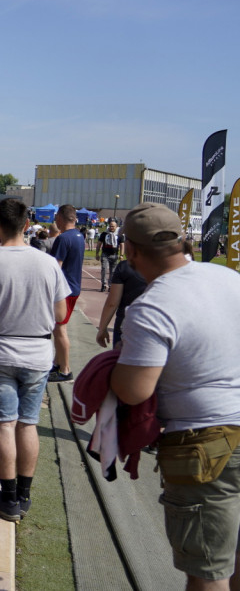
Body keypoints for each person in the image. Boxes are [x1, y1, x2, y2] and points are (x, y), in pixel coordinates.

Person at [110, 202, 240, 590]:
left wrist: (110, 371)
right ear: (184, 240)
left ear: (130, 250)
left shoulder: (152, 306)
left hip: (206, 443)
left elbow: (135, 390)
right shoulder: (229, 278)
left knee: (208, 569)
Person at [0, 198, 69, 522]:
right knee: (28, 423)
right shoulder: (48, 262)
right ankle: (23, 494)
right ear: (27, 225)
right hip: (37, 354)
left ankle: (7, 497)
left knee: (3, 424)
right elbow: (61, 314)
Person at [50, 204, 85, 383]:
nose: (55, 220)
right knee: (59, 328)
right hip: (73, 286)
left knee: (59, 329)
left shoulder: (63, 238)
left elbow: (56, 268)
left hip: (64, 290)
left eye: (56, 217)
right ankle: (57, 363)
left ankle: (65, 370)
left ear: (61, 218)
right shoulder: (80, 236)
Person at [95, 258, 147, 350]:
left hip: (125, 327)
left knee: (120, 360)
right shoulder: (168, 268)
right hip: (154, 329)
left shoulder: (124, 267)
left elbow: (112, 303)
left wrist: (102, 328)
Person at [96, 220, 123, 292]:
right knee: (104, 269)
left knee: (113, 271)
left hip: (114, 255)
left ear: (116, 227)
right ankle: (103, 284)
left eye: (113, 226)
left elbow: (122, 245)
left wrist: (121, 255)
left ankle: (110, 285)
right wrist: (97, 253)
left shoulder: (119, 235)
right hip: (105, 254)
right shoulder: (104, 234)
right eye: (110, 226)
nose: (111, 227)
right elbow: (99, 243)